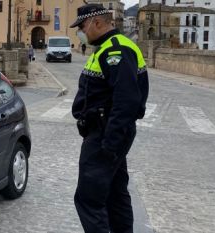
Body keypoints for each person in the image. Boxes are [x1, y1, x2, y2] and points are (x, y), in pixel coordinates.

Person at [69, 4, 149, 233]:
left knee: (88, 199)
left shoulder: (116, 50)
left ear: (97, 23)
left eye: (82, 27)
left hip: (105, 133)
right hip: (108, 132)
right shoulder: (107, 47)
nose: (80, 33)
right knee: (115, 194)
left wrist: (110, 144)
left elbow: (126, 101)